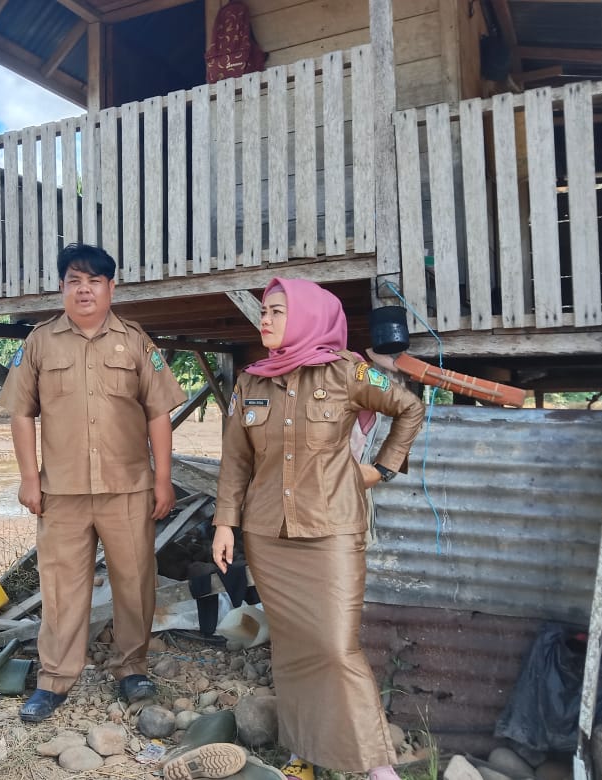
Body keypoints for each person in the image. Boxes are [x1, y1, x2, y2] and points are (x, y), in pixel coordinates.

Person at [212, 278, 424, 780]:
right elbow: (236, 460)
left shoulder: (347, 372)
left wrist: (382, 469)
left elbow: (409, 408)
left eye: (278, 311)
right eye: (264, 311)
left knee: (334, 646)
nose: (265, 319)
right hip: (268, 534)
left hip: (331, 530)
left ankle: (375, 765)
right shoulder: (251, 382)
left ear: (307, 315)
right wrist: (225, 523)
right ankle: (303, 751)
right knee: (292, 645)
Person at [0, 243, 187, 722]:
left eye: (94, 281)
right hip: (60, 493)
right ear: (61, 287)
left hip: (128, 488)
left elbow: (159, 413)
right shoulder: (39, 342)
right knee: (61, 585)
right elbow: (21, 414)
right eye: (74, 281)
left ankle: (133, 668)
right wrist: (28, 479)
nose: (84, 290)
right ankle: (55, 679)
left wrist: (163, 480)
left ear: (111, 287)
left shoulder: (137, 340)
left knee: (135, 581)